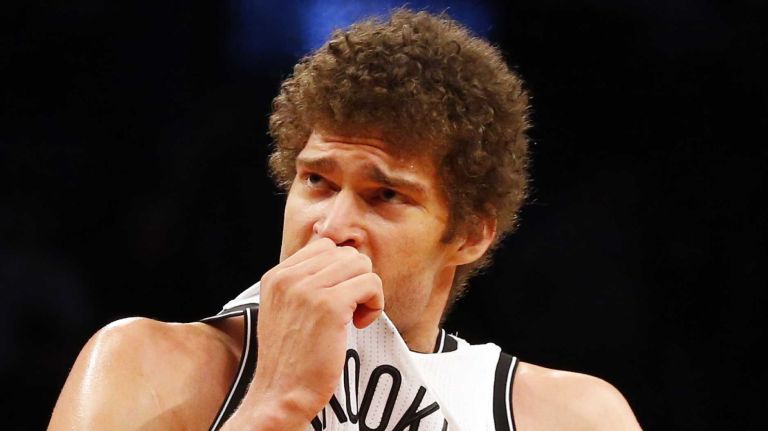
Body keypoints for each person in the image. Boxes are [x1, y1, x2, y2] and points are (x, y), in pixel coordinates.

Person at [48, 8, 641, 431]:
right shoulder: (144, 365)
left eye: (384, 195)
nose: (331, 226)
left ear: (469, 234)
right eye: (318, 181)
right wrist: (274, 406)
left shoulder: (570, 416)